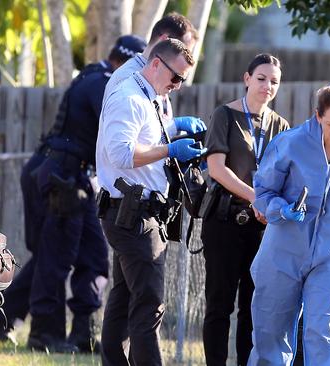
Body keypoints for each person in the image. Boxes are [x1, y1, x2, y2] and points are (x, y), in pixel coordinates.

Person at [0, 35, 147, 353]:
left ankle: (67, 330)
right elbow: (120, 132)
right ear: (124, 61)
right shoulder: (103, 83)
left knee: (91, 256)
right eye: (139, 64)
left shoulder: (95, 76)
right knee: (55, 256)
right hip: (63, 177)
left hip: (70, 176)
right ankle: (44, 333)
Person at [248, 80, 330, 365]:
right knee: (271, 334)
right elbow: (262, 193)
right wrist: (282, 209)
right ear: (318, 115)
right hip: (282, 253)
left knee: (327, 335)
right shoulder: (290, 144)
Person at [96, 38, 204, 365]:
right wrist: (170, 150)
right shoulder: (129, 97)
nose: (177, 86)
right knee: (149, 303)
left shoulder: (147, 95)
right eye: (176, 77)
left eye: (183, 80)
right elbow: (121, 154)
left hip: (137, 212)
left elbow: (143, 133)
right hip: (133, 214)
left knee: (125, 295)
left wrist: (172, 128)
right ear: (156, 63)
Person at [201, 53, 290, 366]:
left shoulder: (280, 125)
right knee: (219, 304)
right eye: (262, 78)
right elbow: (216, 169)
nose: (267, 86)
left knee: (253, 306)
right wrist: (256, 197)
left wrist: (273, 205)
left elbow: (285, 175)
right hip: (224, 221)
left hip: (262, 228)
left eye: (274, 81)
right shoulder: (225, 115)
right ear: (247, 78)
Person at [103, 12, 199, 125]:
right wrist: (173, 129)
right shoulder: (126, 78)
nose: (185, 56)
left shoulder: (159, 77)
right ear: (164, 41)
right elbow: (121, 138)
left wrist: (172, 127)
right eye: (182, 49)